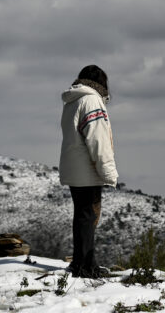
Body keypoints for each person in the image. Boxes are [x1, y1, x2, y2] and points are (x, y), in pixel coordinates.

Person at [59, 64, 118, 278]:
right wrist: (109, 173)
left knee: (82, 216)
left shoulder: (73, 101)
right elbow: (98, 141)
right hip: (87, 168)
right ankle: (85, 267)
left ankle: (81, 262)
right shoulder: (92, 100)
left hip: (74, 167)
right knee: (88, 216)